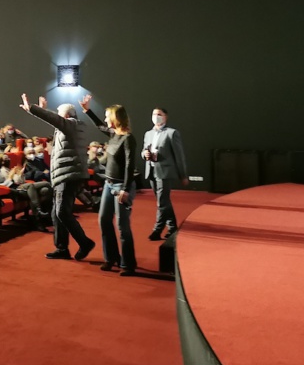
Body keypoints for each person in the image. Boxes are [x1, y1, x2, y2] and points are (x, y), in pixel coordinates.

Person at [19, 94, 96, 261]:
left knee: (61, 212)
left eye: (60, 115)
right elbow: (54, 119)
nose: (58, 119)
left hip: (68, 175)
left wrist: (32, 108)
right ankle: (62, 248)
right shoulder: (73, 126)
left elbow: (54, 119)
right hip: (66, 174)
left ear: (66, 117)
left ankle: (84, 243)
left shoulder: (71, 125)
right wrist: (43, 111)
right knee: (56, 212)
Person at [80, 95, 138, 275]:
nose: (105, 119)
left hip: (121, 186)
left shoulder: (127, 138)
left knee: (122, 226)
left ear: (115, 118)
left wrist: (126, 190)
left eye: (107, 116)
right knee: (104, 220)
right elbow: (99, 125)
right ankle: (111, 258)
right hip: (108, 184)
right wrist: (87, 110)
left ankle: (128, 264)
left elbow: (130, 165)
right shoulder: (113, 135)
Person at [142, 107, 188, 240]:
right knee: (164, 201)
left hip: (165, 172)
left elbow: (179, 156)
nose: (156, 116)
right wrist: (144, 155)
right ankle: (173, 228)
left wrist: (183, 175)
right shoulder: (148, 134)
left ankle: (157, 230)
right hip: (151, 170)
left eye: (159, 114)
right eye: (154, 114)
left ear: (165, 117)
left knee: (162, 202)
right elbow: (143, 150)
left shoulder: (172, 133)